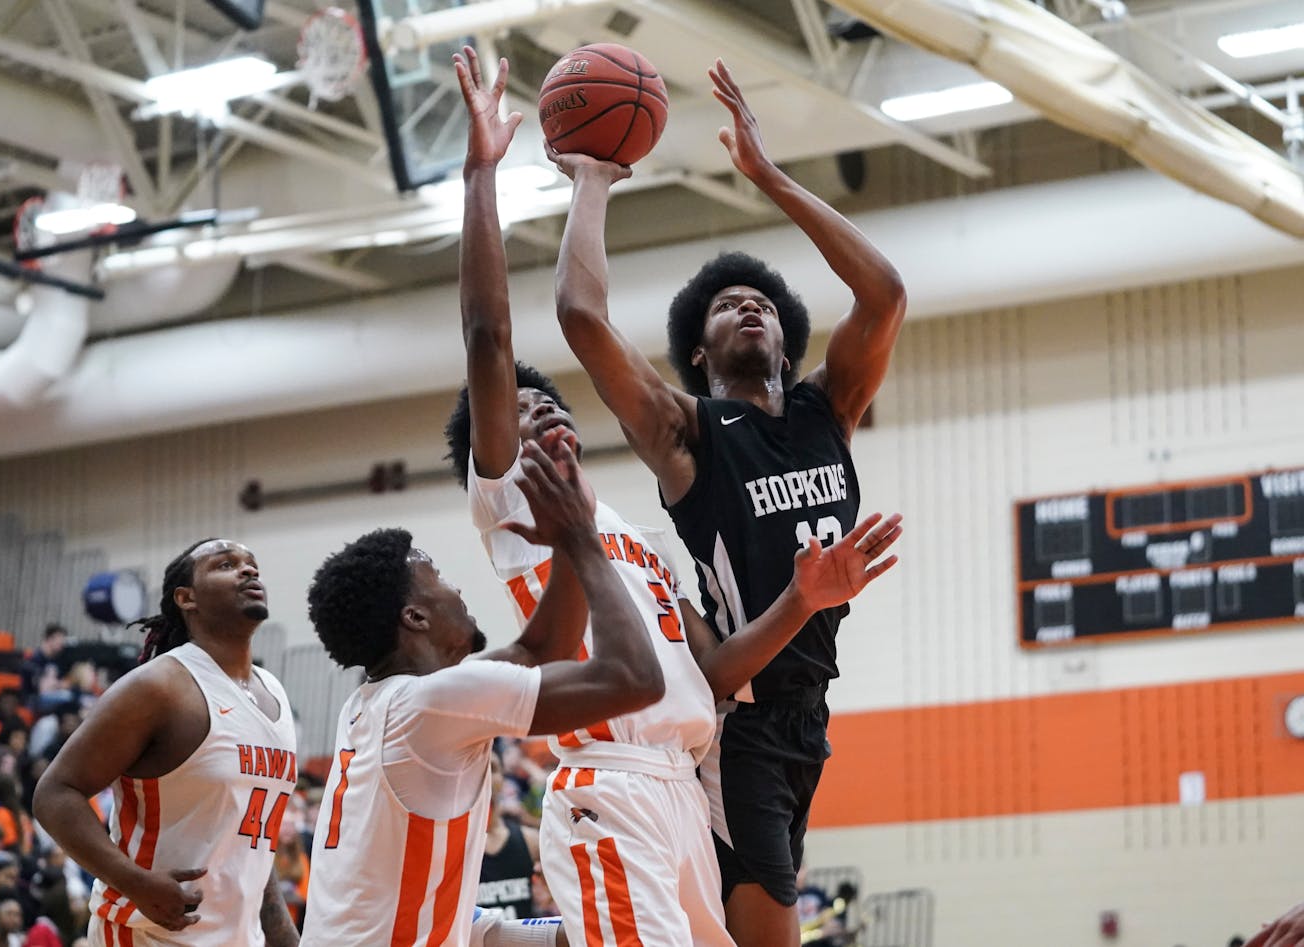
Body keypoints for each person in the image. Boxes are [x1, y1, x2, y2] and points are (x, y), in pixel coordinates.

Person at [450, 47, 902, 947]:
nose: (749, 307)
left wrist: (770, 176)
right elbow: (577, 321)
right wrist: (594, 178)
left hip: (793, 707)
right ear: (696, 352)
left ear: (786, 332)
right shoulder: (688, 434)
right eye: (724, 304)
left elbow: (884, 291)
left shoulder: (826, 412)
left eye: (763, 302)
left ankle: (512, 938)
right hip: (725, 735)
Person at [301, 438, 665, 947]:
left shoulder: (374, 705)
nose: (458, 587)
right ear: (416, 617)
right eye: (440, 576)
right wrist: (585, 539)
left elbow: (540, 650)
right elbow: (636, 679)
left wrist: (565, 542)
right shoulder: (429, 705)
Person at [33, 540, 299, 947]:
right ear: (186, 597)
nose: (248, 571)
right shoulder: (160, 686)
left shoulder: (275, 693)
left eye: (252, 565)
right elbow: (55, 793)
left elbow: (251, 840)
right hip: (147, 935)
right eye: (226, 564)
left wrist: (284, 937)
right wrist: (134, 882)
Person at [477, 751, 539, 921]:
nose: (486, 775)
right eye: (478, 767)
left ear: (504, 778)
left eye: (493, 768)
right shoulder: (450, 844)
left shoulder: (530, 840)